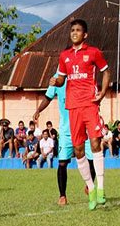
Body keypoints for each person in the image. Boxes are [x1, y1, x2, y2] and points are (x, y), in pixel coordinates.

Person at [50, 19, 110, 210]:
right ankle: (91, 189)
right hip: (73, 108)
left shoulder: (93, 52)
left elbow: (106, 72)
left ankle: (100, 188)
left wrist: (102, 93)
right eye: (72, 30)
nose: (74, 33)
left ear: (85, 35)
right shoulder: (64, 56)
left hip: (90, 105)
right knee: (78, 150)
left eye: (78, 30)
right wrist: (55, 81)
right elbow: (61, 79)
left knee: (95, 143)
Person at [34, 74, 97, 206]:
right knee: (62, 163)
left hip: (83, 128)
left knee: (92, 160)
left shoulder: (82, 75)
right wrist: (39, 110)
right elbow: (47, 97)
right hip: (66, 130)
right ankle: (62, 196)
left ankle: (89, 185)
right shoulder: (57, 78)